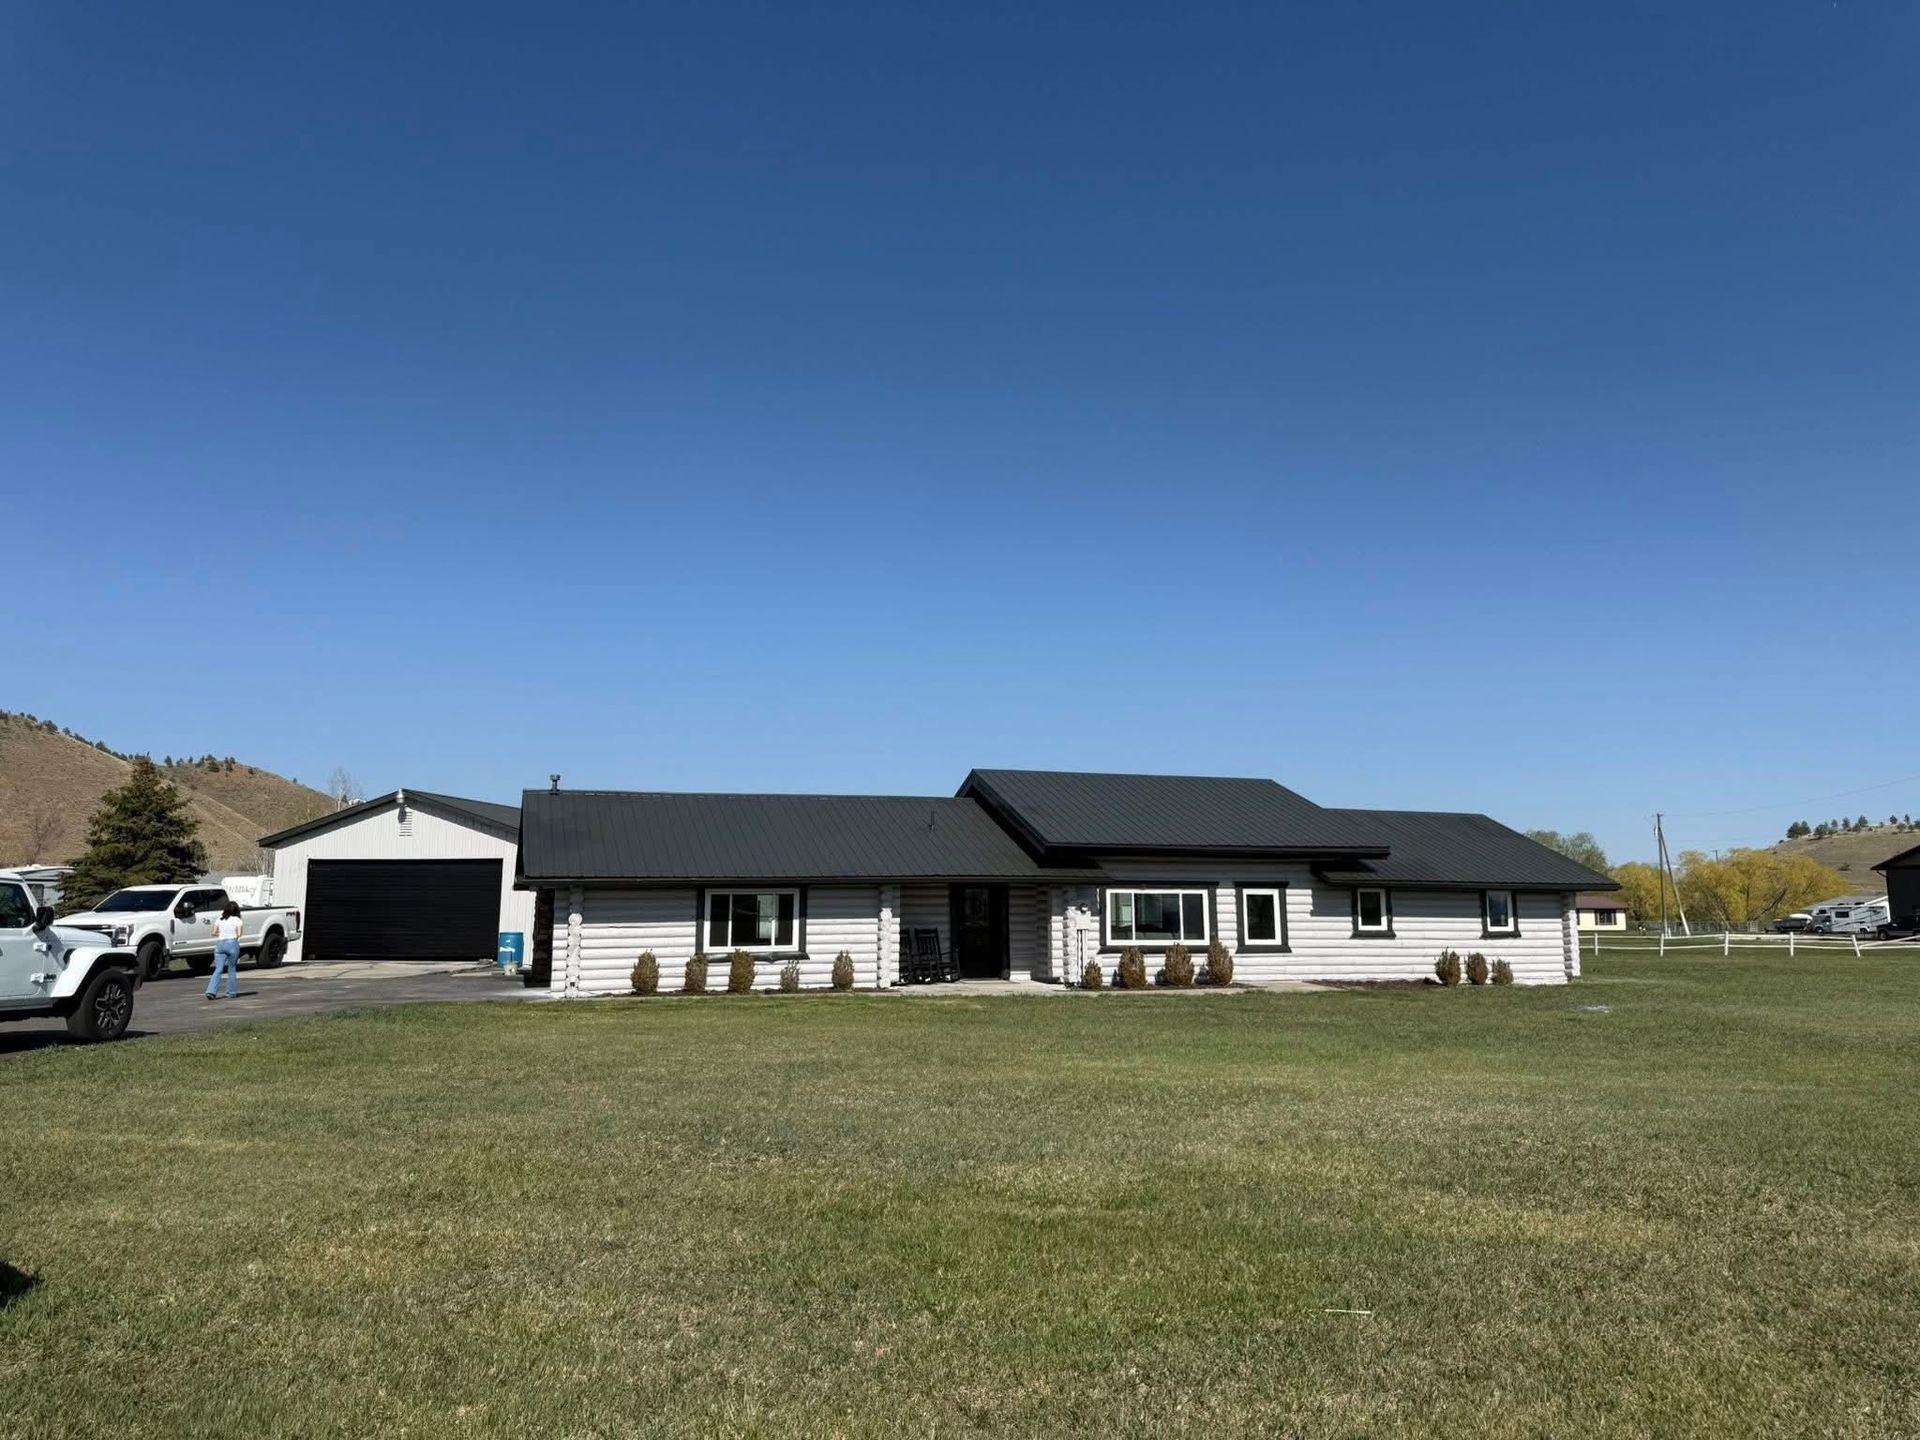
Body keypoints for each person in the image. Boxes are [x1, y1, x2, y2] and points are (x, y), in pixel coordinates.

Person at [206, 902, 244, 1001]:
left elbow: (213, 932)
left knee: (218, 969)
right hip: (232, 944)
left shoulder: (220, 919)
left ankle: (211, 991)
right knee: (231, 969)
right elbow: (239, 934)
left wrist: (222, 932)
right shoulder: (237, 920)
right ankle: (231, 992)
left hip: (220, 944)